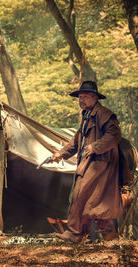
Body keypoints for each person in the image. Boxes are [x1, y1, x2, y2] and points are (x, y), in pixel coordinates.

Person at [52, 81, 123, 242]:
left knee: (85, 197)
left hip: (101, 165)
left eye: (84, 97)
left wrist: (96, 147)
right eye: (79, 97)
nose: (81, 100)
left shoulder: (103, 113)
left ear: (94, 97)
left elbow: (114, 135)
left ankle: (78, 234)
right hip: (91, 164)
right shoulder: (87, 116)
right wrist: (61, 154)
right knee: (90, 200)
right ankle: (88, 235)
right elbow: (77, 141)